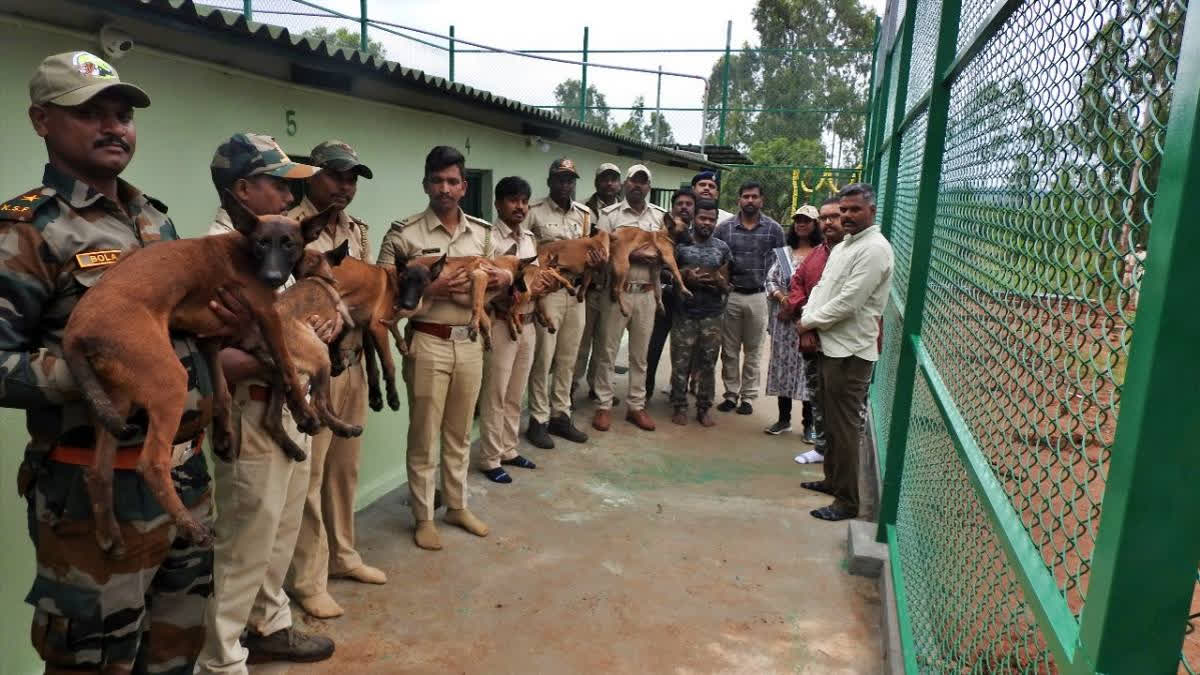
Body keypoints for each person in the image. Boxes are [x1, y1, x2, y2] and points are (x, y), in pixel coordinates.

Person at [2, 51, 224, 674]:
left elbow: (180, 338)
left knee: (176, 655)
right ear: (41, 120)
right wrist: (115, 374)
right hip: (92, 499)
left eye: (122, 114)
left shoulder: (155, 219)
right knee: (96, 662)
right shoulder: (26, 231)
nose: (113, 127)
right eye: (89, 112)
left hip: (183, 482)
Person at [199, 133, 338, 671]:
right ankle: (222, 659)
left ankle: (269, 623)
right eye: (277, 184)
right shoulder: (218, 255)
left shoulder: (276, 244)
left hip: (290, 405)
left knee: (279, 530)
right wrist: (293, 357)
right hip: (252, 411)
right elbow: (214, 355)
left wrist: (312, 337)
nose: (287, 196)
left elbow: (288, 323)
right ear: (241, 190)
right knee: (243, 542)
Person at [378, 146, 505, 550]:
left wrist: (501, 277)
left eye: (452, 181)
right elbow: (382, 293)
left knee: (460, 433)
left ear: (464, 187)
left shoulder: (483, 234)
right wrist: (429, 288)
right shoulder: (404, 233)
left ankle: (457, 505)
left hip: (469, 343)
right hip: (429, 340)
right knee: (423, 435)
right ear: (425, 184)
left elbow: (501, 280)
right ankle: (423, 516)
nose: (444, 189)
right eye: (437, 181)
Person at [286, 140, 387, 621]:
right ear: (310, 175)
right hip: (311, 373)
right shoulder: (289, 226)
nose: (345, 186)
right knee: (308, 476)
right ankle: (307, 579)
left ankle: (344, 556)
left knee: (344, 470)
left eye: (353, 178)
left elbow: (366, 301)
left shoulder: (359, 232)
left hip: (352, 363)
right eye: (336, 175)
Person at [797, 183, 893, 522]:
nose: (847, 216)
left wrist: (809, 322)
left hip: (850, 351)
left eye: (855, 210)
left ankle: (848, 502)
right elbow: (824, 288)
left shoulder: (875, 249)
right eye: (844, 210)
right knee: (832, 425)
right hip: (831, 344)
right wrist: (810, 317)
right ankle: (833, 481)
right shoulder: (846, 245)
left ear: (871, 211)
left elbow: (849, 302)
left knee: (845, 427)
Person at [591, 164, 667, 432]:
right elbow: (600, 252)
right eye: (634, 181)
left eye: (643, 182)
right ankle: (603, 405)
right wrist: (635, 254)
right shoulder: (609, 215)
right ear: (626, 184)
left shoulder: (658, 217)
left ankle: (636, 406)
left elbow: (664, 252)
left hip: (646, 293)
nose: (638, 185)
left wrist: (627, 249)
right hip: (616, 292)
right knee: (607, 351)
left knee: (640, 355)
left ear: (649, 187)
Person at [524, 158, 593, 449]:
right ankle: (538, 419)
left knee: (569, 356)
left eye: (570, 179)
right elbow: (523, 252)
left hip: (576, 293)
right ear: (550, 180)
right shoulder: (533, 212)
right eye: (561, 178)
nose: (566, 184)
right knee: (543, 358)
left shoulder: (585, 214)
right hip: (549, 293)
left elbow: (589, 251)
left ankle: (560, 415)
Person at [477, 176, 542, 483]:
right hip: (501, 324)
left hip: (528, 322)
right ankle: (490, 458)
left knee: (516, 391)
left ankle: (509, 449)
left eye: (524, 201)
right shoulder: (488, 239)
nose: (520, 207)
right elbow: (486, 285)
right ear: (499, 203)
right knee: (496, 393)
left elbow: (534, 277)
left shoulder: (529, 238)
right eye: (513, 200)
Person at [713, 181, 786, 415]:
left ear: (761, 200)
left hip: (759, 297)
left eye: (754, 196)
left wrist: (780, 293)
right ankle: (731, 395)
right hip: (732, 295)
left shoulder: (774, 229)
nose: (750, 201)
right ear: (739, 200)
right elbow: (714, 259)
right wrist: (721, 283)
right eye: (746, 196)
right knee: (729, 349)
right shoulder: (724, 228)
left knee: (754, 350)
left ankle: (748, 398)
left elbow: (784, 265)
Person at [783, 198, 842, 464]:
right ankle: (821, 448)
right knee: (817, 392)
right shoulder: (818, 253)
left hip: (841, 339)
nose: (829, 222)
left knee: (841, 404)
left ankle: (839, 460)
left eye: (836, 216)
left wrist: (807, 322)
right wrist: (803, 322)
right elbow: (797, 283)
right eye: (825, 217)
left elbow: (843, 300)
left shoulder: (854, 252)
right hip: (809, 332)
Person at [668, 199, 732, 426]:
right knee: (680, 363)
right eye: (702, 218)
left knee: (708, 364)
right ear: (694, 218)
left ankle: (704, 408)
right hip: (684, 314)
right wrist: (685, 276)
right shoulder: (680, 246)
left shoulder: (722, 248)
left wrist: (720, 281)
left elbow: (729, 282)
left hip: (712, 315)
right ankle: (679, 405)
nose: (707, 222)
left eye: (711, 219)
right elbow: (667, 276)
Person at [764, 204, 823, 437]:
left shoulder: (822, 253)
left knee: (808, 370)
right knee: (783, 369)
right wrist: (783, 298)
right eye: (798, 220)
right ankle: (783, 419)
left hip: (807, 321)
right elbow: (770, 281)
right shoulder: (784, 253)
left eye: (806, 220)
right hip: (784, 322)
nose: (801, 224)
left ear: (815, 225)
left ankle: (809, 425)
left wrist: (798, 306)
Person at [576, 162, 623, 401]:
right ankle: (570, 390)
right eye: (605, 178)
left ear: (620, 183)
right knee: (581, 343)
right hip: (587, 285)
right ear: (596, 182)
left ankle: (597, 387)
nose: (609, 183)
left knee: (605, 344)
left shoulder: (624, 212)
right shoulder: (583, 209)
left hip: (611, 288)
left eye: (614, 178)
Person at [645, 187, 695, 401]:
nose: (684, 207)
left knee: (684, 349)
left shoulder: (698, 234)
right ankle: (645, 392)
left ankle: (678, 393)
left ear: (694, 209)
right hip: (664, 297)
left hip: (687, 301)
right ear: (672, 208)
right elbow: (654, 264)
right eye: (680, 204)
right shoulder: (660, 232)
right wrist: (672, 275)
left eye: (688, 204)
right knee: (653, 347)